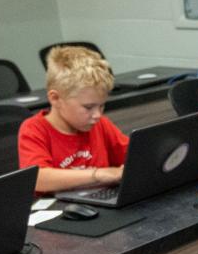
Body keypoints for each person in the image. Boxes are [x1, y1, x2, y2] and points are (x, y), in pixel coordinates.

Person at [18, 45, 128, 194]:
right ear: (55, 98)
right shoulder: (34, 129)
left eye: (101, 106)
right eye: (88, 107)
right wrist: (99, 174)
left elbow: (133, 157)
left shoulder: (100, 124)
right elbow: (38, 179)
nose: (97, 115)